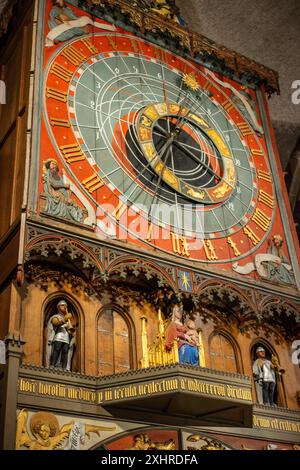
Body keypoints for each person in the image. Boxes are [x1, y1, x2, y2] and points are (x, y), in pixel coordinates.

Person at [47, 300, 75, 370]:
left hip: (66, 337)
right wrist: (65, 319)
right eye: (62, 305)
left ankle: (64, 367)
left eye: (65, 306)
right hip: (59, 336)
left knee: (65, 351)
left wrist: (71, 331)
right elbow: (55, 323)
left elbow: (69, 330)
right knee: (57, 349)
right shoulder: (56, 316)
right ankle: (52, 365)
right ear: (58, 307)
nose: (65, 307)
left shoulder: (68, 319)